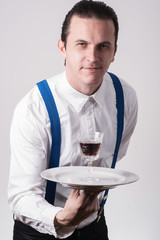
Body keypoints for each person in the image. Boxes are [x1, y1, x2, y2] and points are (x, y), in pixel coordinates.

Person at [8, 1, 138, 239]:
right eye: (81, 44)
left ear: (114, 52)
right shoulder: (34, 109)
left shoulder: (125, 98)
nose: (92, 56)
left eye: (103, 46)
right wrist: (62, 218)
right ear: (62, 48)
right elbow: (21, 196)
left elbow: (114, 157)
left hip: (95, 229)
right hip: (39, 232)